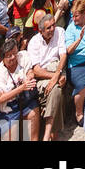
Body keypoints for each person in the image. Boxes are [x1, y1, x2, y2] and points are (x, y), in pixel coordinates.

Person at [23, 11, 67, 140]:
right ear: (41, 31)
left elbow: (63, 55)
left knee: (56, 86)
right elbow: (36, 70)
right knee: (56, 90)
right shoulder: (34, 43)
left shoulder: (59, 32)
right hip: (43, 76)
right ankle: (51, 133)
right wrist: (55, 77)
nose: (52, 29)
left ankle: (47, 135)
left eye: (53, 25)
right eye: (48, 28)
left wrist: (57, 74)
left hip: (57, 69)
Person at [0, 35, 40, 141]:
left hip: (22, 101)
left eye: (14, 54)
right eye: (9, 55)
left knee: (33, 112)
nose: (13, 57)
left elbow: (30, 70)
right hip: (5, 108)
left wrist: (29, 77)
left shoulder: (23, 56)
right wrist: (21, 88)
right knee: (12, 133)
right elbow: (0, 99)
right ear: (3, 58)